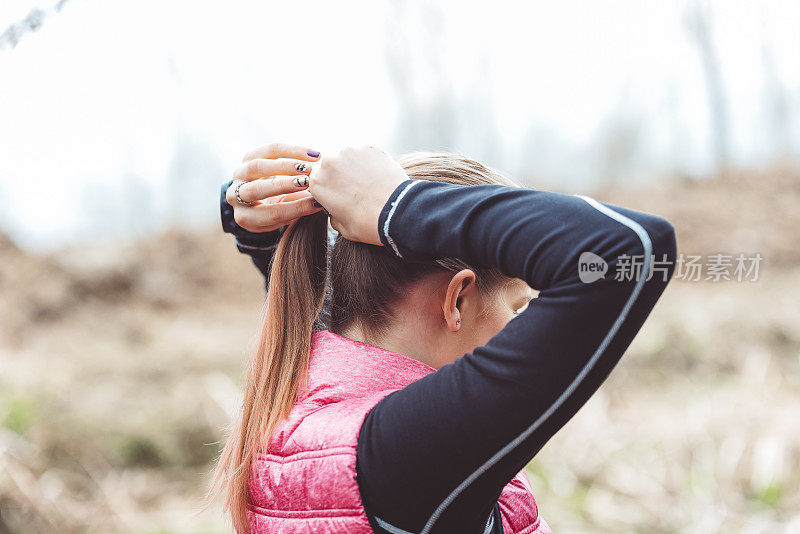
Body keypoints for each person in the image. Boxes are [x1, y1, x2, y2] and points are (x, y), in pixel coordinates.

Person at [214, 143, 677, 534]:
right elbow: (625, 248)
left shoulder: (304, 397)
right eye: (517, 307)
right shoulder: (406, 455)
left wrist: (251, 216)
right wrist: (397, 205)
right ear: (457, 300)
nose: (523, 325)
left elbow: (300, 290)